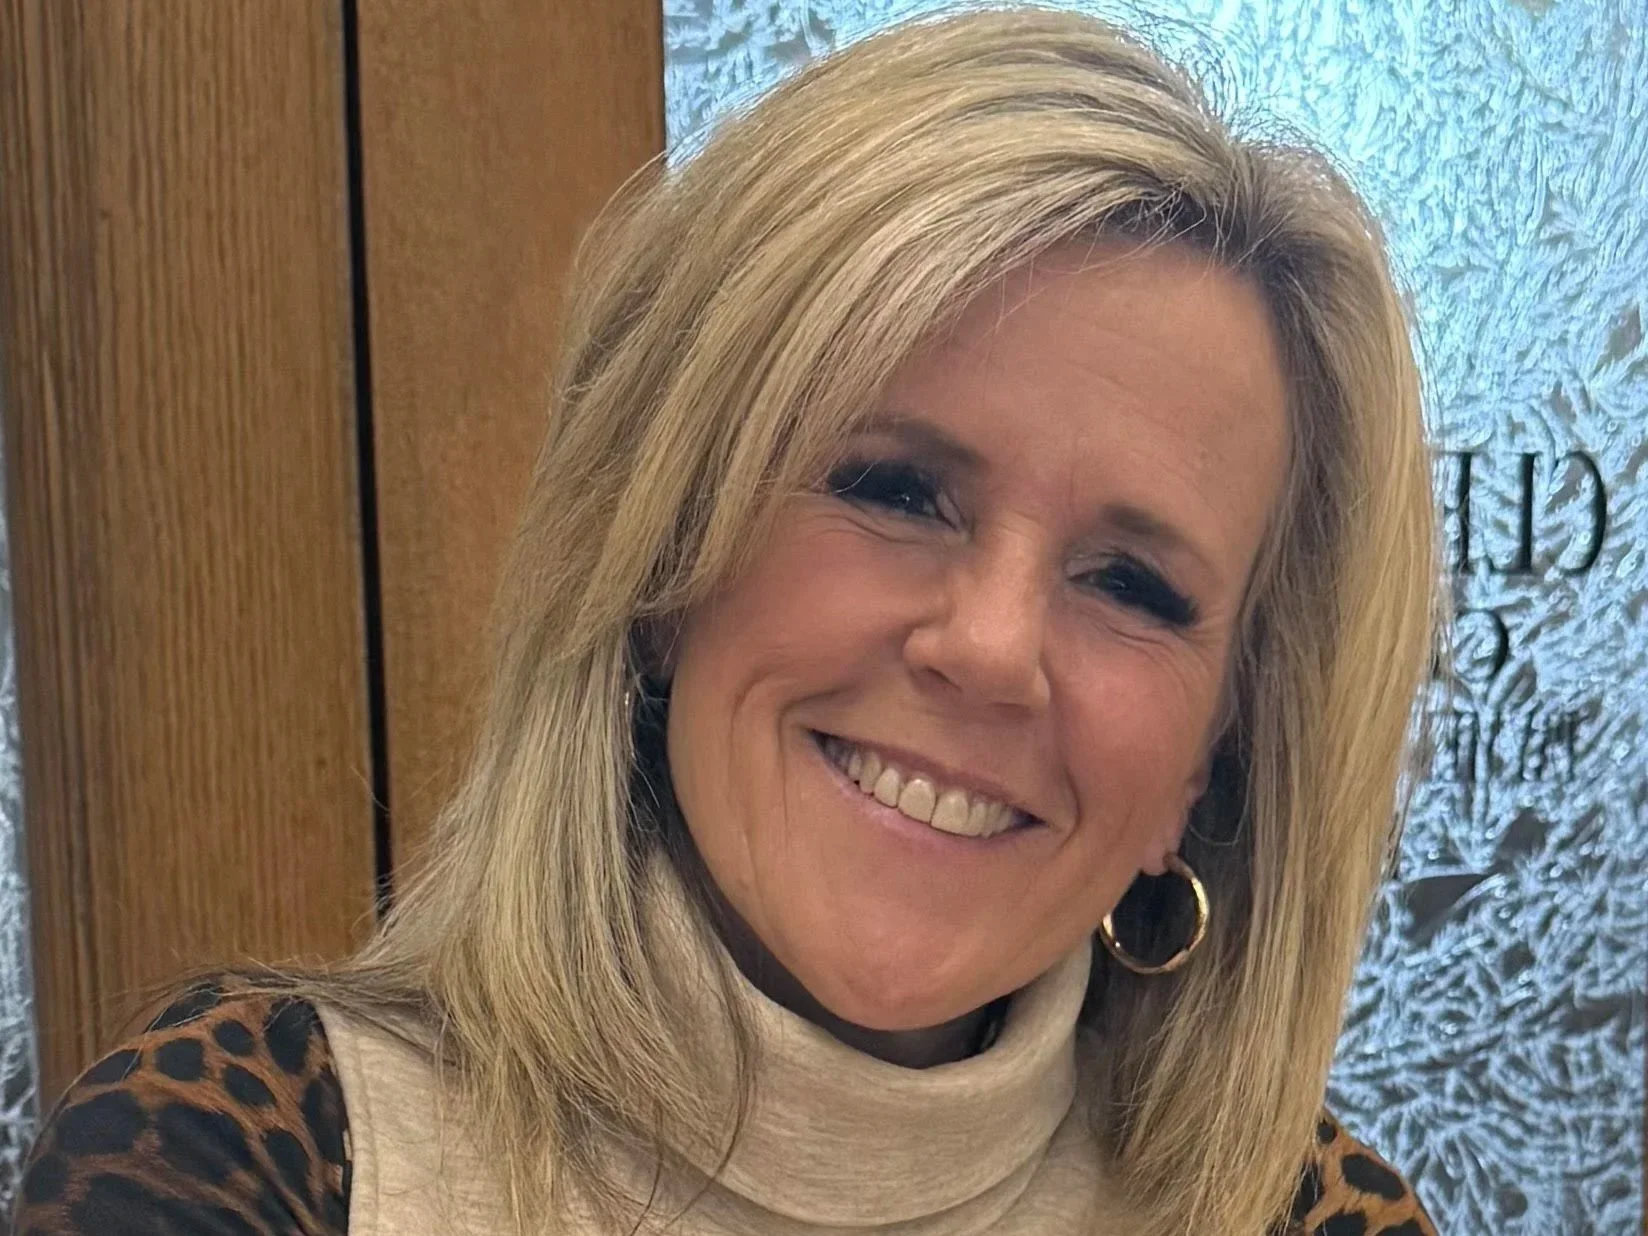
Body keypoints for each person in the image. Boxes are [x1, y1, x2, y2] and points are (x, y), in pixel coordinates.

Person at [15, 7, 1444, 1234]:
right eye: (896, 490)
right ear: (660, 556)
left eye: (1133, 586)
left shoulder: (1312, 1214)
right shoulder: (257, 1154)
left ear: (1208, 762)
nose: (993, 647)